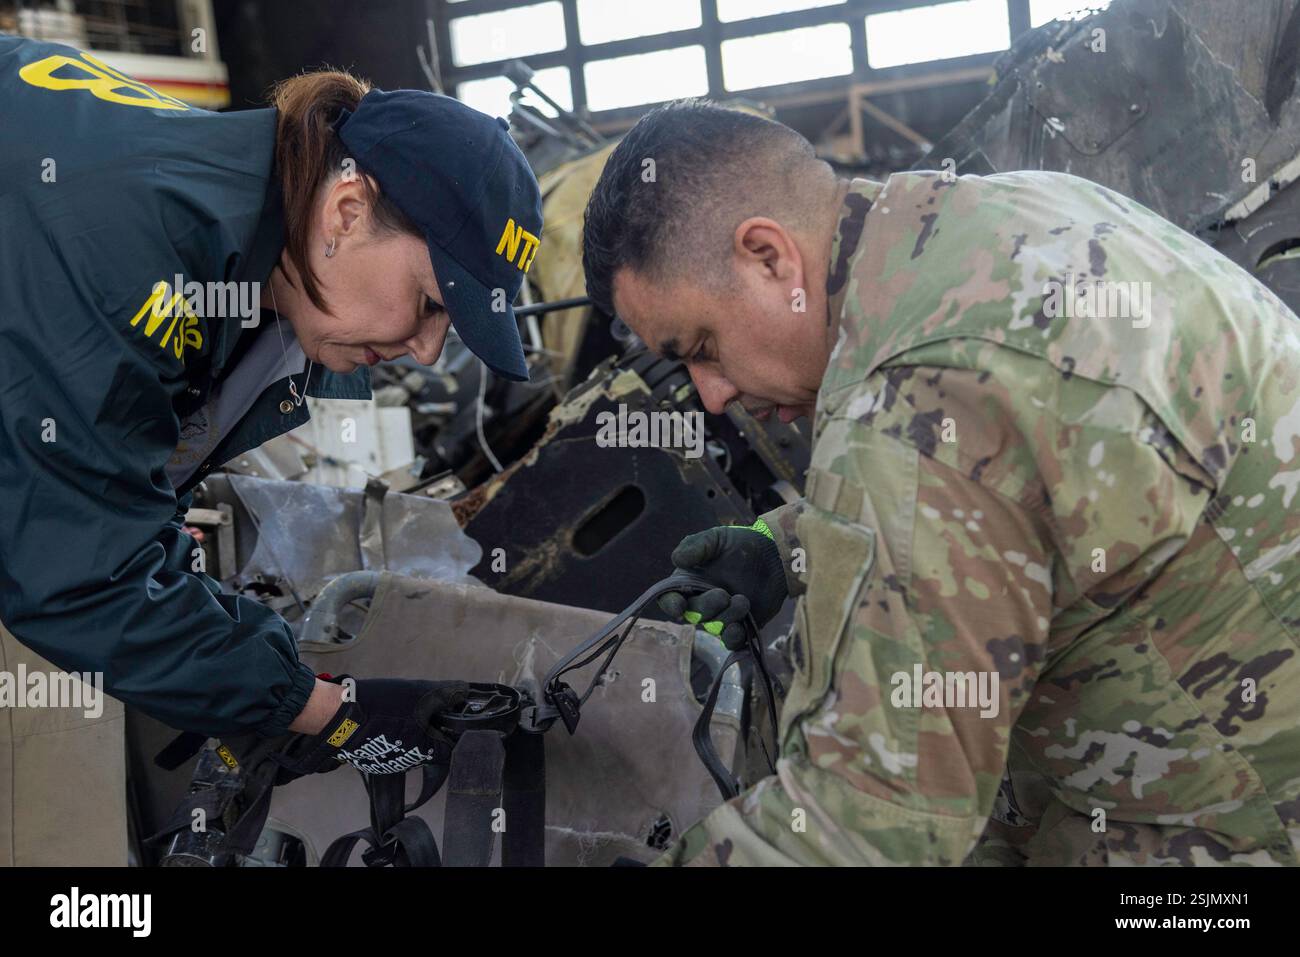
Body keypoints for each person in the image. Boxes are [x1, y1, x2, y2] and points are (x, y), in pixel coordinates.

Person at [582, 98, 1300, 866]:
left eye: (702, 345)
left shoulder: (920, 393)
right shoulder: (990, 218)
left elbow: (870, 822)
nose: (712, 392)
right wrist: (785, 546)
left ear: (769, 256)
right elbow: (1017, 494)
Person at [0, 33, 542, 863]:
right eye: (432, 301)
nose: (430, 350)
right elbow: (76, 577)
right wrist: (323, 710)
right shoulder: (140, 252)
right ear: (348, 211)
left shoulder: (224, 217)